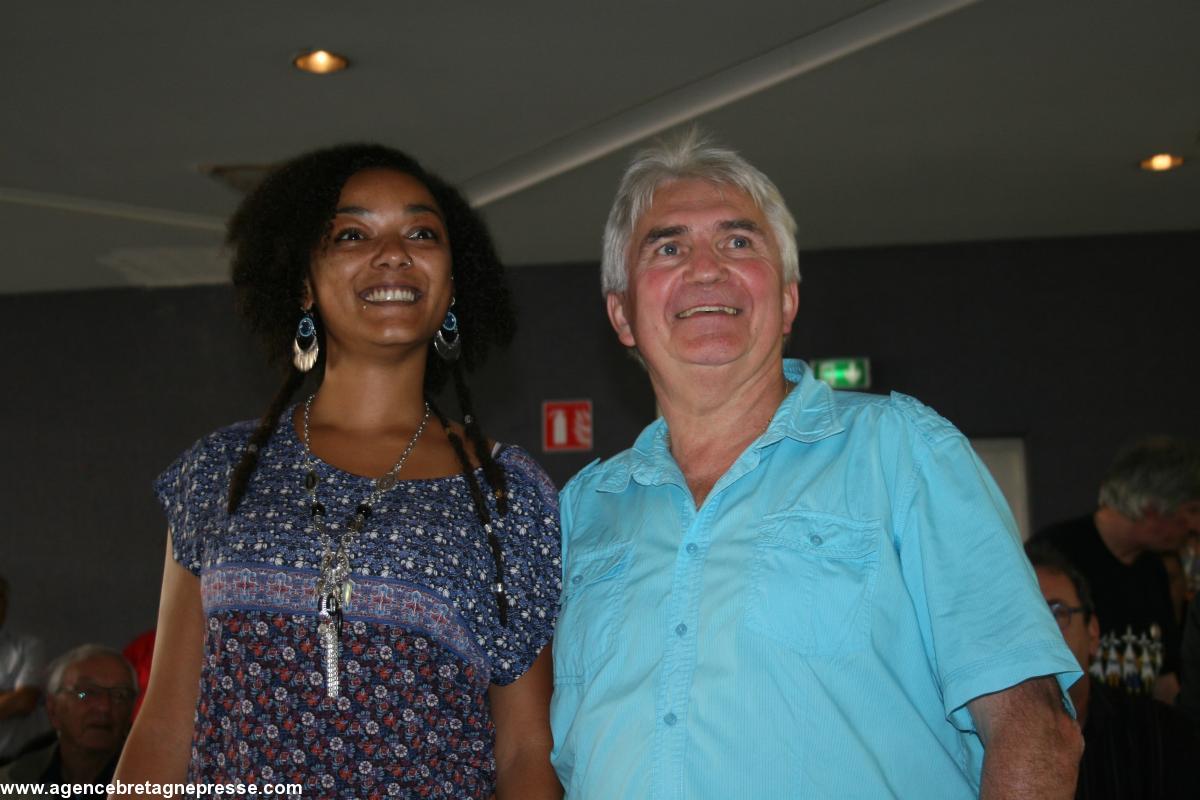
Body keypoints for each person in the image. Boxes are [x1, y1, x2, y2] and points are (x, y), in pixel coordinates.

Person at [549, 129, 1083, 798]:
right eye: (668, 246)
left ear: (788, 300)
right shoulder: (578, 512)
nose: (706, 267)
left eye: (739, 242)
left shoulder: (903, 453)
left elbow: (1035, 733)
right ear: (622, 314)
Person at [114, 145, 562, 799]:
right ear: (303, 281)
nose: (392, 253)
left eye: (422, 233)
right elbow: (163, 728)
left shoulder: (505, 493)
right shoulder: (222, 471)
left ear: (454, 283)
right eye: (352, 233)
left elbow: (524, 749)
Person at [1034, 437, 1200, 703]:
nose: (1195, 526)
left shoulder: (1153, 569)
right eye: (1190, 511)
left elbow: (1164, 679)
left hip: (1136, 738)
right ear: (1152, 507)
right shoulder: (1054, 557)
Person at [1026, 543, 1197, 799]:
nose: (1040, 634)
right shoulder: (974, 748)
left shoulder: (1160, 737)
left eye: (1057, 613)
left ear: (1093, 632)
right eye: (1023, 619)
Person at [0, 645, 136, 796]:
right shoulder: (11, 781)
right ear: (52, 710)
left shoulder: (154, 782)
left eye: (120, 695)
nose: (104, 706)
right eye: (86, 693)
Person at [0, 575, 48, 764]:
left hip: (12, 762)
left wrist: (15, 698)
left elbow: (24, 701)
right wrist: (8, 696)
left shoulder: (28, 647)